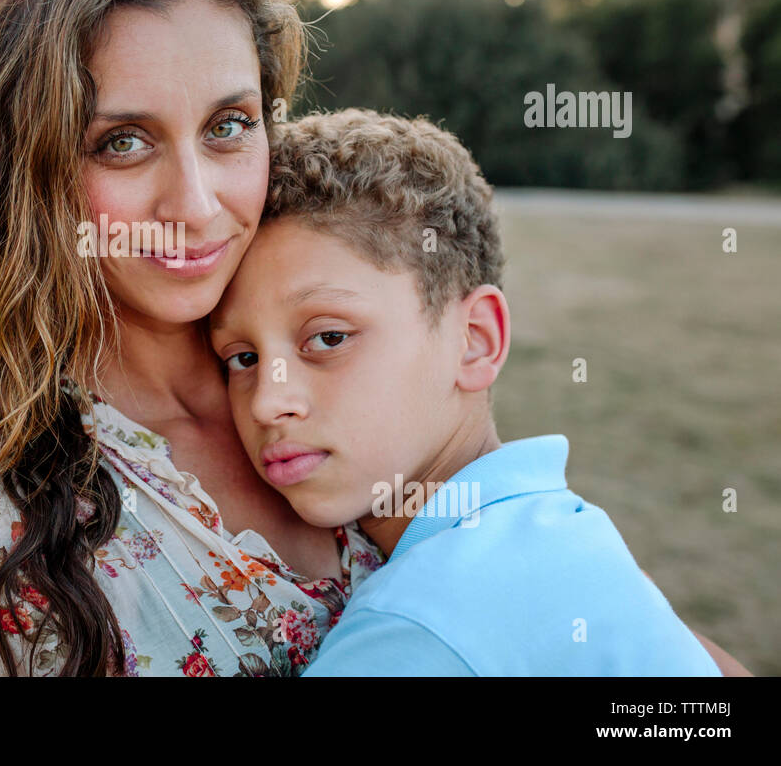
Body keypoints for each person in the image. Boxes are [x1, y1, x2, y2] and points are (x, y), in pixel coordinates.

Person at [0, 0, 383, 677]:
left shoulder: (351, 345)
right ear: (31, 172)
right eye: (123, 142)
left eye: (229, 125)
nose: (196, 204)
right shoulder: (8, 524)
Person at [208, 108, 724, 675]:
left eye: (328, 337)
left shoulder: (413, 632)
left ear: (474, 342)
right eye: (243, 358)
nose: (266, 401)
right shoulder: (567, 532)